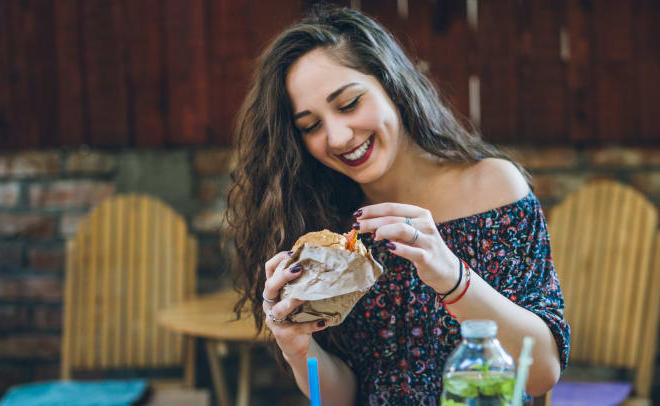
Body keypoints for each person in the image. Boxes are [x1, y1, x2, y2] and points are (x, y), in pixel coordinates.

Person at [226, 7, 569, 405]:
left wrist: (452, 277)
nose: (336, 137)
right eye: (310, 126)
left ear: (392, 84)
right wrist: (298, 350)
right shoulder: (327, 228)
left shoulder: (492, 186)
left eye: (349, 103)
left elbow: (540, 373)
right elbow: (345, 398)